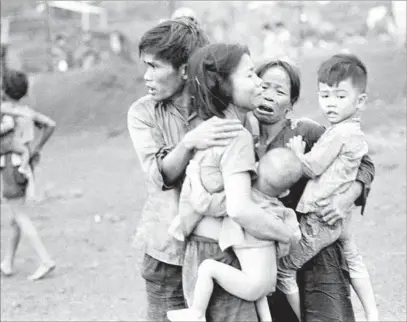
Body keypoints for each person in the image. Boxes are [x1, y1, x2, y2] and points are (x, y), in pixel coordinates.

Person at [127, 19, 249, 321]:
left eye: (155, 67)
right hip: (166, 254)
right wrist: (190, 142)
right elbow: (161, 176)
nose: (146, 76)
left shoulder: (223, 108)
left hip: (221, 252)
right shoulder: (142, 112)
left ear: (184, 70)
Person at [247, 59, 375, 322]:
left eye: (280, 91)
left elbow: (364, 163)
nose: (269, 96)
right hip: (264, 252)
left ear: (291, 103)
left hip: (316, 247)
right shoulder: (241, 138)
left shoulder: (306, 132)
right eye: (264, 87)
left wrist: (346, 197)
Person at [167, 145, 303, 322]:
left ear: (254, 168)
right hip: (270, 280)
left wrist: (194, 176)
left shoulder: (240, 201)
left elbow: (202, 203)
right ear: (284, 192)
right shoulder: (281, 210)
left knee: (208, 267)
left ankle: (197, 313)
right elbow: (293, 238)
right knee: (257, 290)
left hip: (252, 284)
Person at [0, 69, 57, 281]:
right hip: (25, 166)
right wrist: (35, 148)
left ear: (4, 90)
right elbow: (50, 124)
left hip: (10, 167)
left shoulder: (6, 113)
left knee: (19, 216)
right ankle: (7, 261)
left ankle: (45, 260)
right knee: (16, 216)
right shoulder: (26, 111)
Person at [1, 71, 37, 200]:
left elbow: (9, 125)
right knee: (21, 202)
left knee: (17, 209)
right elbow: (50, 124)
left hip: (12, 158)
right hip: (27, 151)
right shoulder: (27, 111)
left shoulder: (5, 110)